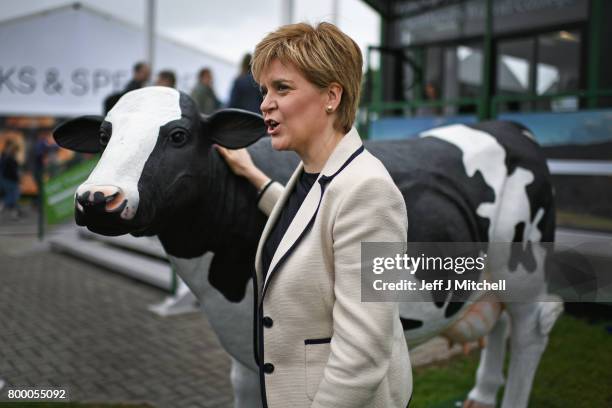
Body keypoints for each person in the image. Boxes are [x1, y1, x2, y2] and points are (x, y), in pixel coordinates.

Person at [216, 22, 412, 407]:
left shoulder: (370, 192)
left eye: (282, 88)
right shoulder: (313, 173)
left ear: (331, 97)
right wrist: (253, 176)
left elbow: (364, 355)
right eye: (264, 90)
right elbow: (312, 228)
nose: (265, 103)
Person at [0, 141, 21, 219]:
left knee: (12, 197)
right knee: (13, 196)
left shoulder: (5, 156)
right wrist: (18, 179)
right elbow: (13, 171)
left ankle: (14, 214)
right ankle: (10, 211)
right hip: (10, 180)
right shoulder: (10, 158)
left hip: (6, 179)